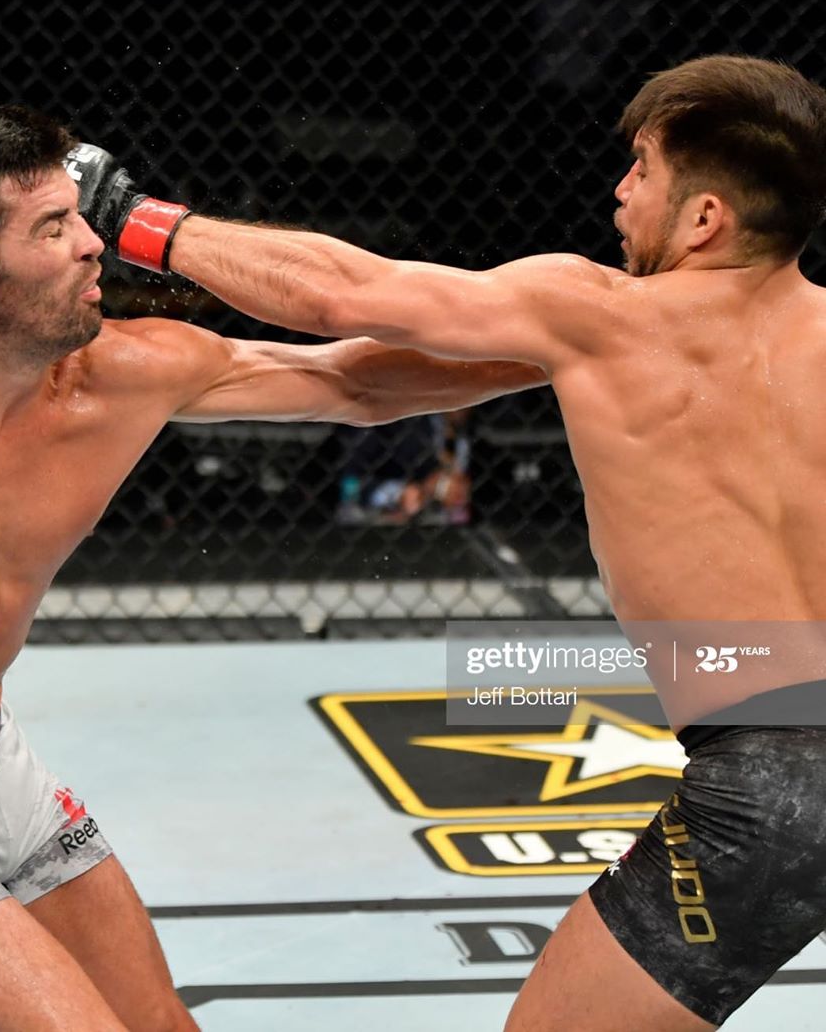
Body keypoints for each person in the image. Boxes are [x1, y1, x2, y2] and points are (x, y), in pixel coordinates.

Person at [0, 102, 544, 1031]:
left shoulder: (118, 376)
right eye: (53, 228)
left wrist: (570, 349)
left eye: (78, 214)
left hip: (2, 774)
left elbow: (354, 381)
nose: (95, 243)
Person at [87, 55, 826, 1029]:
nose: (620, 189)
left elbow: (346, 291)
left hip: (770, 779)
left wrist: (130, 213)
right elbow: (367, 373)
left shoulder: (599, 314)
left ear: (704, 218)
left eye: (642, 167)